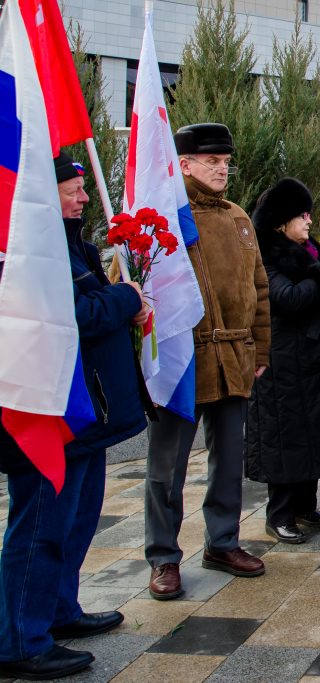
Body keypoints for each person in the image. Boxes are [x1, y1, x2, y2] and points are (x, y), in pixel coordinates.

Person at [0, 153, 149, 679]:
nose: (84, 197)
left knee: (75, 522)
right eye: (73, 188)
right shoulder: (29, 252)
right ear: (45, 193)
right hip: (49, 418)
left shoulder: (71, 247)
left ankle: (58, 611)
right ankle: (20, 639)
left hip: (85, 415)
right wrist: (123, 299)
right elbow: (66, 318)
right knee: (40, 527)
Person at [146, 123, 271, 600]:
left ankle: (222, 542)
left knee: (227, 462)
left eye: (225, 162)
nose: (222, 169)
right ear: (184, 165)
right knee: (166, 468)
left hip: (235, 359)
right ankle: (162, 556)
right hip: (181, 362)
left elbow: (259, 288)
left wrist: (260, 349)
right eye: (212, 162)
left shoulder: (239, 217)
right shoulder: (162, 217)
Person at [246, 178, 320, 544]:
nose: (309, 222)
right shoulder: (266, 255)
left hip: (312, 361)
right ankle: (279, 514)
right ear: (282, 223)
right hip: (283, 364)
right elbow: (289, 299)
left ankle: (305, 505)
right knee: (287, 440)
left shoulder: (308, 253)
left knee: (313, 433)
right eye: (302, 216)